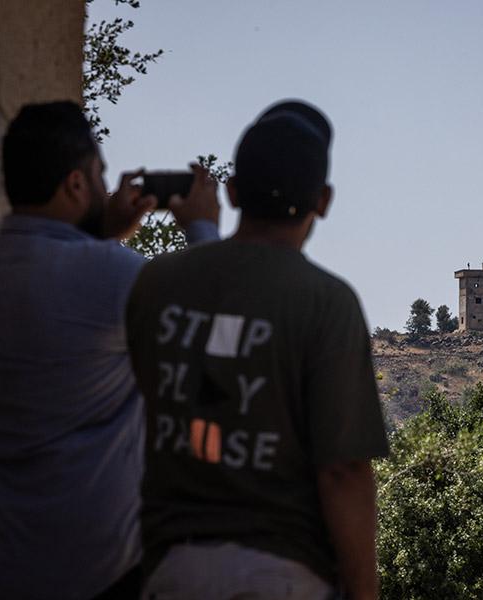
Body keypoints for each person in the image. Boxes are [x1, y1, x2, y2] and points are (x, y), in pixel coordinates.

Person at [125, 100, 389, 600]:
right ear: (323, 200)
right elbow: (343, 470)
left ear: (232, 191)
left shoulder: (155, 284)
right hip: (284, 573)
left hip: (170, 569)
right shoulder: (326, 302)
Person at [0, 101, 219, 599]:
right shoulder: (113, 276)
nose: (104, 187)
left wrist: (97, 233)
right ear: (74, 183)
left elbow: (52, 282)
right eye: (97, 175)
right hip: (97, 572)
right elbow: (214, 326)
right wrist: (202, 228)